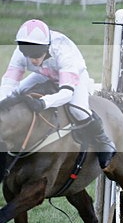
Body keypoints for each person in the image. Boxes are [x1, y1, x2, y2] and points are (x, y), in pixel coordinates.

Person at [0, 19, 116, 169]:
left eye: (37, 55)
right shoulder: (20, 52)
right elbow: (9, 84)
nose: (33, 60)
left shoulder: (62, 50)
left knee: (78, 110)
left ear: (47, 47)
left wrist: (43, 102)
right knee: (16, 94)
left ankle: (104, 141)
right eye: (28, 55)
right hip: (44, 74)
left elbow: (67, 93)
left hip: (75, 76)